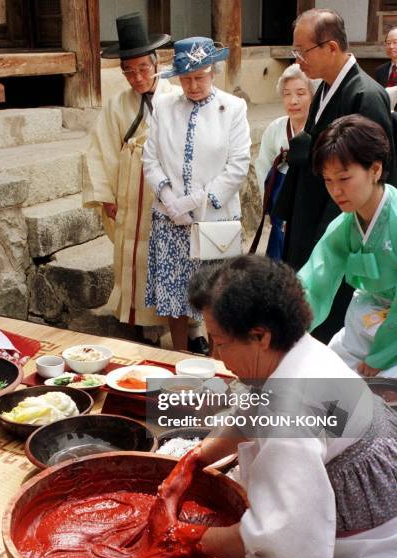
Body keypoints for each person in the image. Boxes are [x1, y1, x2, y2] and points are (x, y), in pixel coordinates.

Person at [185, 254, 397, 558]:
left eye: (219, 343)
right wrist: (197, 457)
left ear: (260, 336)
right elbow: (253, 412)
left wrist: (188, 537)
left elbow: (284, 539)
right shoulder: (301, 349)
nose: (217, 356)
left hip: (366, 552)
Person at [82, 14, 207, 353]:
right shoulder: (116, 105)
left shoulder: (175, 95)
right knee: (135, 255)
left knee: (177, 261)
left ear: (156, 63)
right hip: (128, 190)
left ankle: (192, 330)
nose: (137, 77)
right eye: (129, 71)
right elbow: (101, 149)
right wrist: (107, 195)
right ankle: (142, 325)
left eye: (142, 68)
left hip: (167, 192)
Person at [274, 8, 397, 343]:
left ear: (330, 47)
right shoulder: (327, 90)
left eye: (303, 51)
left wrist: (334, 230)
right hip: (312, 214)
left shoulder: (365, 94)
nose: (298, 61)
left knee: (334, 320)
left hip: (337, 224)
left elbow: (376, 173)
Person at [142, 37, 251, 351]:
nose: (192, 85)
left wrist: (196, 200)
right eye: (186, 79)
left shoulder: (232, 108)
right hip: (170, 217)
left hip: (214, 221)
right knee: (174, 294)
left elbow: (238, 164)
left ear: (213, 72)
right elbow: (150, 158)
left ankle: (219, 361)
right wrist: (169, 198)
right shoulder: (163, 106)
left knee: (217, 294)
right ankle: (178, 355)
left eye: (200, 77)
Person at [298, 114, 397, 378]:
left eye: (343, 179)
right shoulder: (344, 227)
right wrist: (287, 329)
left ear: (375, 170)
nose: (335, 191)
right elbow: (314, 283)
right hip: (364, 322)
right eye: (328, 180)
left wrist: (380, 357)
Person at [254, 64, 314, 259]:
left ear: (313, 95)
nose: (293, 100)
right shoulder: (275, 128)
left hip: (308, 198)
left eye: (300, 93)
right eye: (287, 94)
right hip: (281, 199)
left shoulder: (319, 128)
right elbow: (263, 166)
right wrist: (270, 206)